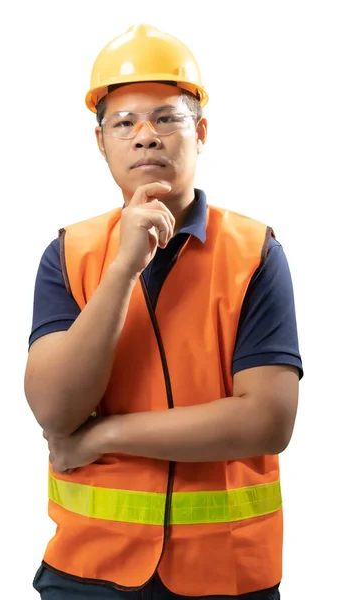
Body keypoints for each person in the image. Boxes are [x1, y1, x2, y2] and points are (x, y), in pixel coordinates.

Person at [25, 24, 303, 600]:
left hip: (225, 573)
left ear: (200, 133)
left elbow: (268, 422)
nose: (145, 137)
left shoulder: (254, 253)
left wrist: (104, 435)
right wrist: (122, 268)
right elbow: (55, 410)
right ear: (100, 142)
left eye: (166, 119)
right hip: (88, 572)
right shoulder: (70, 254)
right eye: (124, 123)